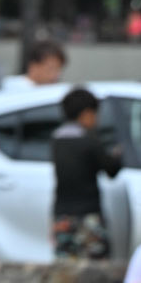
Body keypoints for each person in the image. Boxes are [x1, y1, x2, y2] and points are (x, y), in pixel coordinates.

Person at [51, 88, 124, 259]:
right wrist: (118, 155)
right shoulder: (89, 140)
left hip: (62, 214)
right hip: (88, 214)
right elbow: (110, 171)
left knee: (65, 267)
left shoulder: (56, 139)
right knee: (96, 269)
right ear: (86, 114)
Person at [1, 37, 66, 93]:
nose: (55, 75)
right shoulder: (8, 87)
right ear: (33, 66)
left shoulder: (54, 92)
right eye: (51, 68)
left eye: (58, 70)